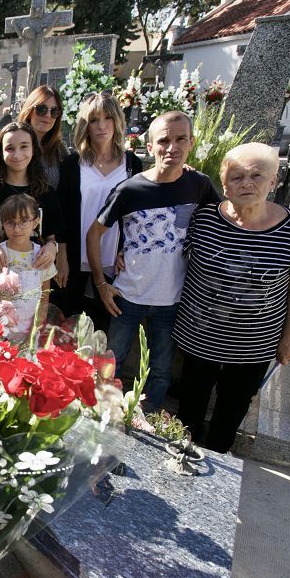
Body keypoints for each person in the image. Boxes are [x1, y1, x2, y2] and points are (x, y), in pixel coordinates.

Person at [173, 142, 290, 453]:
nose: (247, 183)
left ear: (274, 181)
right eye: (236, 177)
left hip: (254, 343)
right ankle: (180, 459)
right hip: (200, 336)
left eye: (257, 176)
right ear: (223, 185)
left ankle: (218, 462)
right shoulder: (203, 219)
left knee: (231, 410)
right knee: (189, 407)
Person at [85, 111, 220, 415]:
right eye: (164, 141)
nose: (172, 148)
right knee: (111, 362)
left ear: (192, 142)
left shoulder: (198, 185)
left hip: (172, 300)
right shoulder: (130, 190)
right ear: (150, 146)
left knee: (160, 370)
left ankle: (146, 423)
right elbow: (94, 234)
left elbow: (223, 219)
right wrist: (101, 284)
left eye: (180, 139)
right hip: (127, 296)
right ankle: (103, 414)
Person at [56, 91, 144, 328]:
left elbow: (138, 214)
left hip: (114, 259)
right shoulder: (74, 164)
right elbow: (62, 212)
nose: (101, 126)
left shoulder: (131, 164)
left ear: (117, 121)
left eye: (107, 118)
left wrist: (128, 249)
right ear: (86, 125)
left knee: (104, 326)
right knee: (71, 325)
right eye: (94, 120)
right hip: (76, 257)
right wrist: (61, 255)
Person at [0, 121, 67, 287]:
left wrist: (52, 248)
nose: (17, 154)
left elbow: (52, 237)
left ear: (34, 149)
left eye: (24, 146)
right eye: (10, 148)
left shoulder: (46, 193)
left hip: (36, 280)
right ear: (0, 152)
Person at [0, 194, 57, 342]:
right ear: (3, 224)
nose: (17, 228)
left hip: (30, 331)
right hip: (0, 330)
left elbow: (44, 298)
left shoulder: (42, 256)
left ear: (35, 222)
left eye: (24, 221)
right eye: (10, 222)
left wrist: (36, 327)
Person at [0, 85, 68, 190]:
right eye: (42, 109)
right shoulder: (6, 141)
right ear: (29, 111)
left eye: (54, 111)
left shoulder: (59, 149)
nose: (48, 115)